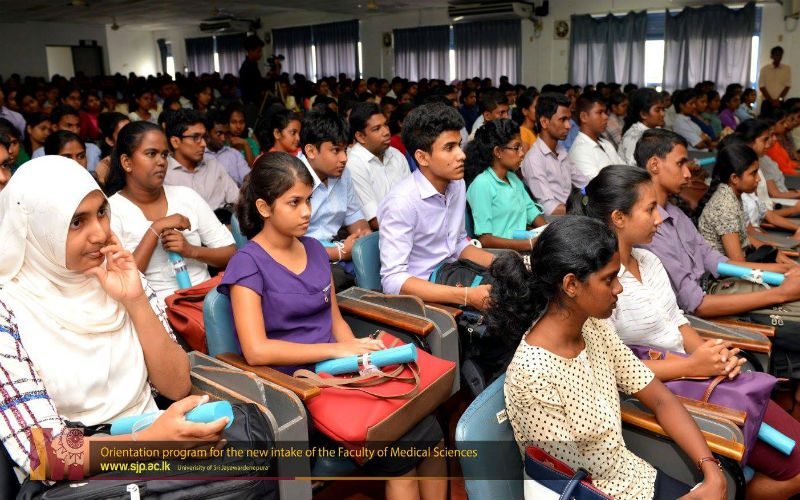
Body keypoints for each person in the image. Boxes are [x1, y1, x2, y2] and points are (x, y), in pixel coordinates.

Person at [220, 153, 446, 500]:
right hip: (295, 390)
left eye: (308, 200)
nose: (307, 211)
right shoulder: (247, 264)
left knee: (430, 429)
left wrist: (361, 361)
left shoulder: (314, 249)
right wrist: (339, 350)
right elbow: (256, 350)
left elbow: (335, 321)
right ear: (264, 207)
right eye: (293, 203)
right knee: (403, 453)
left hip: (340, 373)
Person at [573, 165, 800, 500]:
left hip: (698, 377)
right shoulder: (599, 284)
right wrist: (693, 366)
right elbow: (612, 370)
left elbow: (678, 324)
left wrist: (712, 356)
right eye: (650, 209)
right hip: (663, 392)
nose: (658, 218)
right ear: (618, 218)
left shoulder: (649, 261)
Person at [0, 156, 227, 479]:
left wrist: (134, 299)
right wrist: (154, 443)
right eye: (77, 222)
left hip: (161, 447)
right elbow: (44, 455)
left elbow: (177, 386)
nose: (100, 234)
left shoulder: (119, 275)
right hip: (88, 478)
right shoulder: (9, 309)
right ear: (35, 229)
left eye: (102, 213)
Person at [487, 217, 727, 500]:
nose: (619, 289)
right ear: (571, 284)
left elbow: (659, 399)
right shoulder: (532, 376)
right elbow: (572, 485)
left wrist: (711, 470)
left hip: (637, 480)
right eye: (609, 279)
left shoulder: (593, 328)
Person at [635, 128, 800, 319]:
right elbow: (696, 305)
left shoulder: (676, 214)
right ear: (654, 165)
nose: (688, 174)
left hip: (716, 288)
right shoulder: (648, 229)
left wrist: (783, 271)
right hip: (705, 309)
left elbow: (716, 261)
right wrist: (780, 293)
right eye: (680, 164)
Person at [378, 102, 494, 306]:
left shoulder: (456, 183)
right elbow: (393, 280)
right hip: (425, 299)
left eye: (459, 144)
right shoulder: (402, 202)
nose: (461, 155)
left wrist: (500, 264)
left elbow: (457, 244)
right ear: (422, 157)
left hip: (454, 277)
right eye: (449, 148)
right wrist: (467, 296)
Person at [106, 121, 236, 303]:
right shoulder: (112, 210)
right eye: (151, 154)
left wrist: (191, 251)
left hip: (204, 304)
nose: (161, 162)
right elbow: (124, 281)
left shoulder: (186, 196)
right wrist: (156, 227)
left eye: (164, 155)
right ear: (127, 162)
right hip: (155, 312)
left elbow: (231, 253)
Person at [298, 107, 370, 289]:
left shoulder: (341, 174)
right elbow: (285, 244)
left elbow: (356, 218)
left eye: (345, 150)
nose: (344, 158)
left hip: (337, 252)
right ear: (311, 151)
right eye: (335, 150)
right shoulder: (290, 177)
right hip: (302, 260)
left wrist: (363, 236)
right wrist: (339, 252)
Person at [464, 118, 544, 251]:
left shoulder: (513, 179)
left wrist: (549, 232)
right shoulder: (482, 184)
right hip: (500, 257)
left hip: (522, 250)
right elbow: (485, 239)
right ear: (498, 152)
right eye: (516, 148)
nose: (522, 153)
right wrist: (529, 244)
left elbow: (532, 212)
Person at [163, 109, 239, 221]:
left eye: (204, 137)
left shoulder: (215, 167)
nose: (203, 144)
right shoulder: (163, 174)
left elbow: (238, 201)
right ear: (175, 142)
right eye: (195, 138)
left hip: (225, 229)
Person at [521, 92, 588, 215]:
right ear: (544, 122)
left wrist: (590, 197)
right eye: (563, 120)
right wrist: (585, 209)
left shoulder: (560, 151)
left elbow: (583, 184)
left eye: (568, 119)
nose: (568, 126)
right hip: (556, 223)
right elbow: (548, 208)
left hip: (572, 215)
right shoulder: (534, 159)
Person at [346, 102, 410, 230]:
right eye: (377, 129)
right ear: (360, 136)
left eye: (385, 125)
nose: (386, 132)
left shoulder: (396, 155)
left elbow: (413, 200)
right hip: (382, 236)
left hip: (408, 227)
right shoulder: (354, 164)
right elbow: (375, 220)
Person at [568, 91, 624, 180]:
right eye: (600, 112)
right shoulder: (580, 151)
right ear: (584, 117)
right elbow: (599, 189)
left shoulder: (606, 144)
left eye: (605, 112)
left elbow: (625, 170)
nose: (605, 117)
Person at [31, 106, 101, 171]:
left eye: (81, 156)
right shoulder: (39, 154)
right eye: (69, 125)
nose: (75, 130)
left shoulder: (93, 149)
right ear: (55, 127)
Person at [619, 88, 665, 166]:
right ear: (643, 114)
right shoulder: (634, 137)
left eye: (663, 110)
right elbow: (633, 169)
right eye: (657, 110)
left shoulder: (655, 130)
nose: (662, 114)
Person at [205, 110, 251, 187]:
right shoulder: (199, 155)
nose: (223, 138)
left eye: (225, 134)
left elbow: (247, 177)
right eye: (219, 134)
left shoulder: (234, 154)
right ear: (207, 133)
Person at [95, 112, 131, 186]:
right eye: (122, 134)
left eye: (131, 131)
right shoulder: (104, 167)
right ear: (110, 141)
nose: (129, 137)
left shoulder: (143, 156)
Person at [760, 46, 792, 118]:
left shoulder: (786, 69)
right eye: (776, 55)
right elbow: (761, 86)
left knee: (779, 124)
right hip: (766, 102)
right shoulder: (765, 69)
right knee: (765, 125)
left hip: (780, 102)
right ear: (772, 56)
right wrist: (772, 101)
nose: (779, 57)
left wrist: (778, 100)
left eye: (780, 55)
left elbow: (787, 86)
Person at [239, 35, 264, 106]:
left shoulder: (253, 65)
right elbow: (253, 88)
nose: (261, 54)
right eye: (258, 51)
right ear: (250, 51)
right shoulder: (247, 67)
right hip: (251, 104)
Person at [512, 87, 539, 153]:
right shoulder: (523, 132)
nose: (540, 110)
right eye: (536, 107)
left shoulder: (536, 130)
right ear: (525, 111)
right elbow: (526, 160)